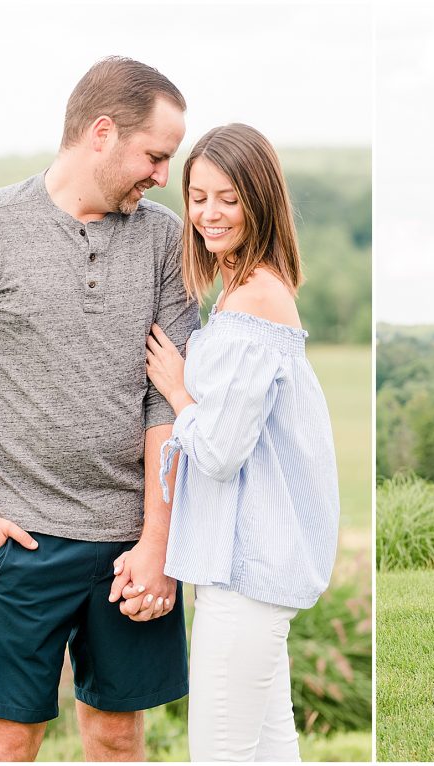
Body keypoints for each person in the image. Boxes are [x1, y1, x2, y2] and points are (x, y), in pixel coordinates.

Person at [0, 57, 199, 761]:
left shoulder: (164, 240)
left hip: (130, 546)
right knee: (6, 742)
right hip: (19, 544)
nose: (163, 176)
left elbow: (169, 400)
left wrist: (158, 543)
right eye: (155, 156)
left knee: (119, 736)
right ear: (102, 133)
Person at [141, 123, 340, 761]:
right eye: (198, 196)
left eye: (227, 197)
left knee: (221, 753)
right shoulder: (244, 289)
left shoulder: (254, 300)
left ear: (259, 197)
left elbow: (223, 452)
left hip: (248, 566)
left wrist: (177, 393)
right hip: (248, 565)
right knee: (269, 748)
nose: (209, 213)